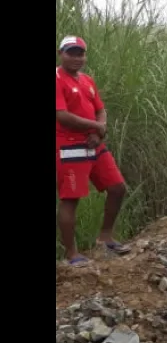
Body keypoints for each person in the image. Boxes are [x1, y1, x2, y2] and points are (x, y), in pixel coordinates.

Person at [56, 36, 129, 266]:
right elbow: (62, 116)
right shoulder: (57, 79)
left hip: (94, 144)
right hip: (69, 146)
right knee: (71, 199)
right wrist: (96, 127)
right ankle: (72, 254)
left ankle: (105, 237)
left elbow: (101, 110)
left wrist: (98, 132)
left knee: (117, 188)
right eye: (72, 53)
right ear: (61, 54)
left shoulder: (87, 80)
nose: (77, 58)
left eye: (81, 53)